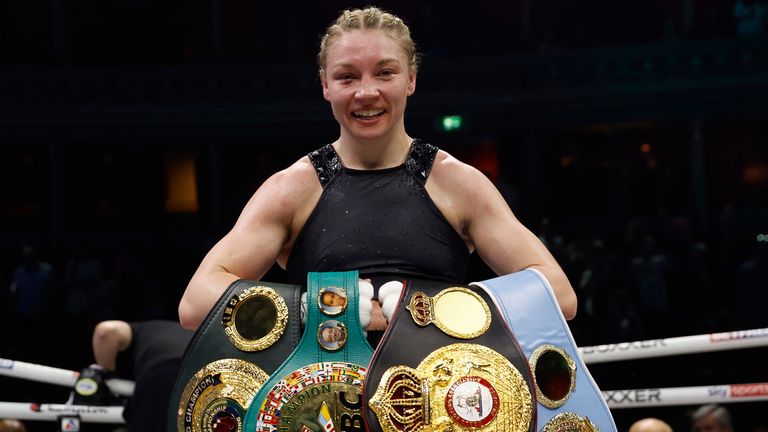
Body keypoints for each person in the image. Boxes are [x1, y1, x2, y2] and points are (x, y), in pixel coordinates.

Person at [178, 6, 577, 331]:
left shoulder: (457, 182)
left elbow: (559, 295)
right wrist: (319, 307)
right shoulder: (292, 189)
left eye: (385, 72)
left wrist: (438, 310)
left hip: (440, 403)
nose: (366, 92)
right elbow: (196, 303)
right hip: (322, 409)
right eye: (347, 76)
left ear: (411, 80)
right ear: (325, 86)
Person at [90, 319, 194, 432]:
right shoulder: (200, 334)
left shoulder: (141, 329)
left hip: (158, 378)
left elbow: (105, 331)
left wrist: (106, 373)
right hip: (198, 387)